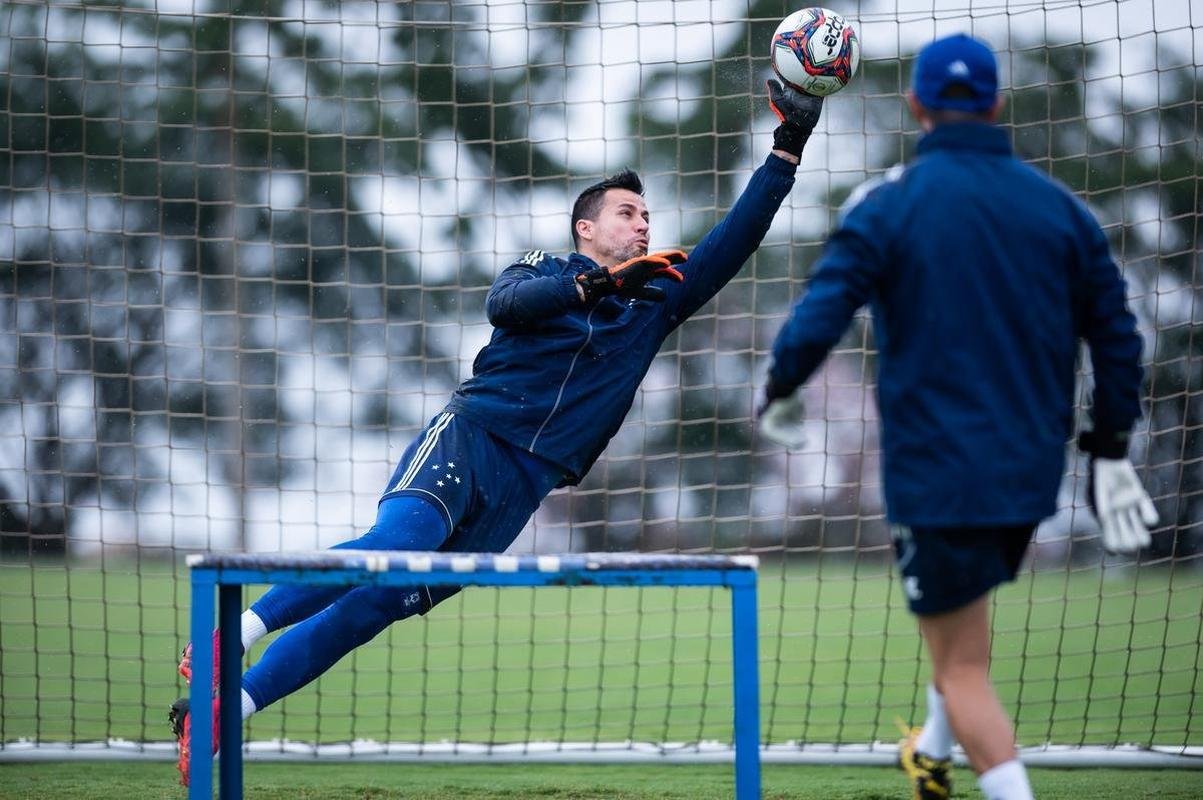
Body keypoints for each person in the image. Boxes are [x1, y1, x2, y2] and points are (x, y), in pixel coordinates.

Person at [169, 81, 826, 785]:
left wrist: (786, 148)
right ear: (585, 229)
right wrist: (597, 287)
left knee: (369, 611)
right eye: (627, 213)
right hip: (468, 439)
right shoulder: (546, 269)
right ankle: (228, 640)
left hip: (524, 487)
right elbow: (505, 304)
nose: (642, 226)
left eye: (646, 216)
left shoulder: (656, 302)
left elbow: (736, 236)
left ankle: (221, 714)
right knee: (396, 547)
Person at [757, 34, 1158, 800]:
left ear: (915, 106)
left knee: (960, 667)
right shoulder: (1061, 210)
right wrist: (1108, 446)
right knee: (962, 626)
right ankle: (930, 758)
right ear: (996, 105)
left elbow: (818, 316)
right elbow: (1117, 335)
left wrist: (778, 390)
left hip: (936, 473)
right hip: (1029, 473)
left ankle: (992, 780)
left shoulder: (889, 203)